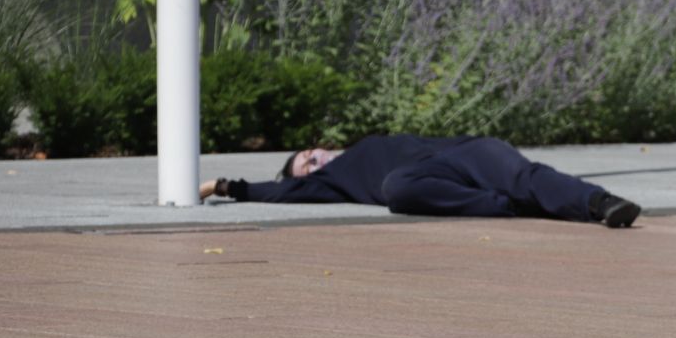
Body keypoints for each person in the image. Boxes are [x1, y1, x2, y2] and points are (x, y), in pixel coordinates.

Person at [200, 134, 641, 227]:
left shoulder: (364, 144)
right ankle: (511, 205)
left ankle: (601, 204)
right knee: (398, 189)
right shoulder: (333, 179)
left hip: (463, 151)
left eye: (309, 155)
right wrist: (222, 187)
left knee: (524, 174)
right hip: (416, 181)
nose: (315, 162)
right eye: (305, 167)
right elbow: (278, 191)